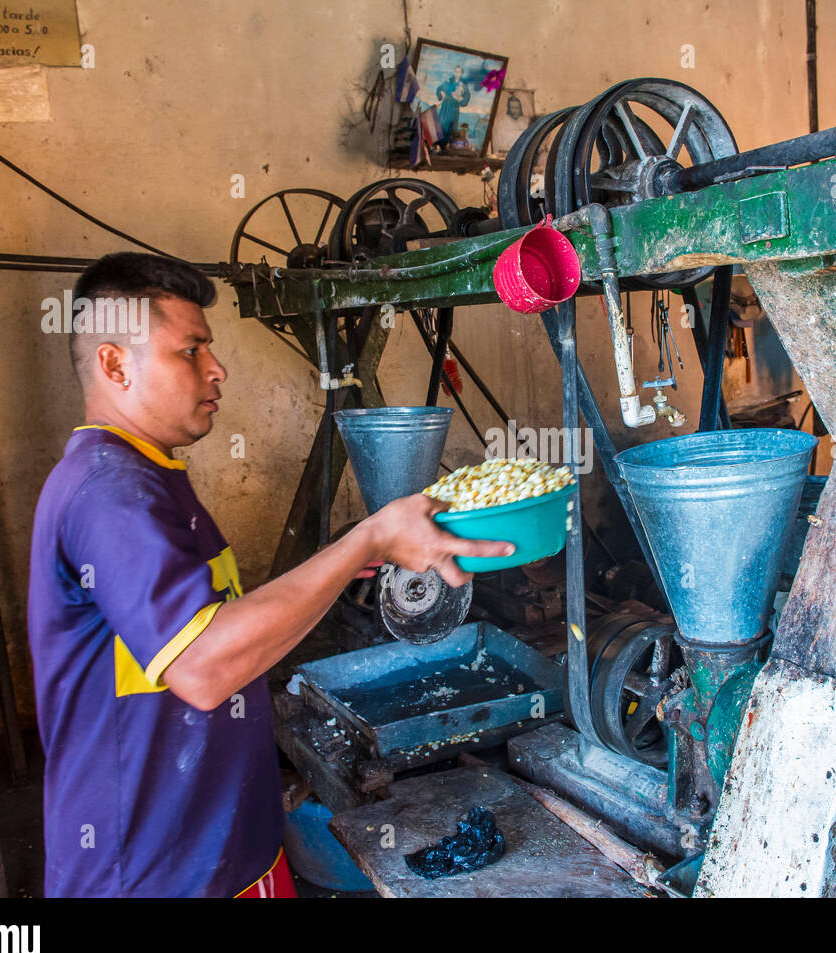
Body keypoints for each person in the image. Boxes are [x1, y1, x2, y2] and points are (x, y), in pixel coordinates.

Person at [26, 253, 512, 897]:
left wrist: (344, 559)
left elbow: (211, 626)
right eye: (190, 350)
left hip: (221, 851)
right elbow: (202, 667)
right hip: (155, 873)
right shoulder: (110, 490)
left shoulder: (147, 476)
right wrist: (366, 537)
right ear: (115, 364)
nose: (215, 367)